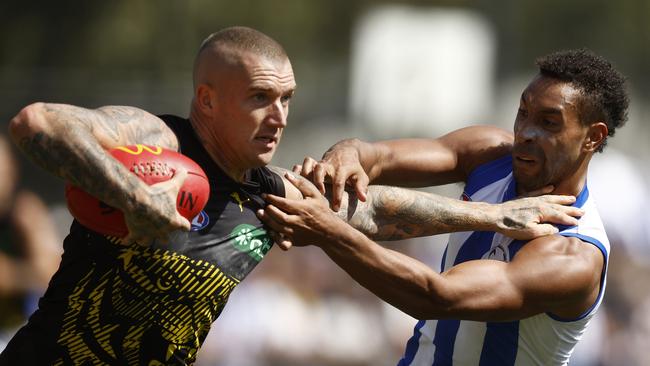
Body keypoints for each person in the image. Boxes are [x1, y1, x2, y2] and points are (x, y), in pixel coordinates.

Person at [1, 27, 581, 365]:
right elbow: (39, 123)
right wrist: (134, 197)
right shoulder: (161, 142)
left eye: (287, 99)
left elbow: (373, 209)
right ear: (207, 100)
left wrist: (494, 214)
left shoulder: (265, 191)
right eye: (259, 98)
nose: (278, 117)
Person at [259, 48, 628, 365]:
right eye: (523, 112)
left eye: (549, 123)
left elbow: (436, 296)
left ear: (593, 137)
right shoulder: (489, 154)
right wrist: (344, 156)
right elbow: (377, 156)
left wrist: (328, 230)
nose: (525, 132)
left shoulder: (573, 256)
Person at [0, 136, 61, 351]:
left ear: (12, 172)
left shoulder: (24, 213)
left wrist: (12, 275)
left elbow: (53, 275)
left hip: (15, 332)